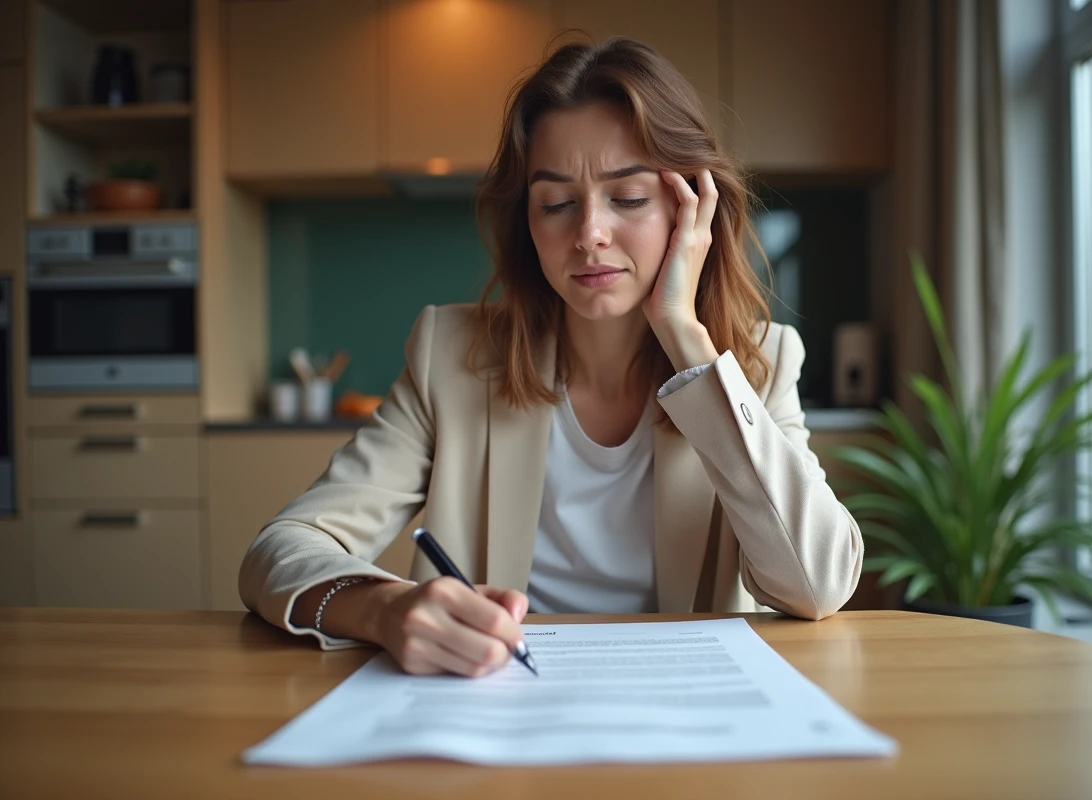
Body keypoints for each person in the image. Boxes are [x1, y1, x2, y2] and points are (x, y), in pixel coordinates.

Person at [239, 36, 864, 678]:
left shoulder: (758, 362)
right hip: (497, 706)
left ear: (692, 210)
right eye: (557, 204)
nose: (589, 234)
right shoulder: (449, 356)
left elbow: (816, 586)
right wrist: (384, 610)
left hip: (680, 713)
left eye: (628, 198)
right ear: (528, 225)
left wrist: (685, 336)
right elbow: (279, 552)